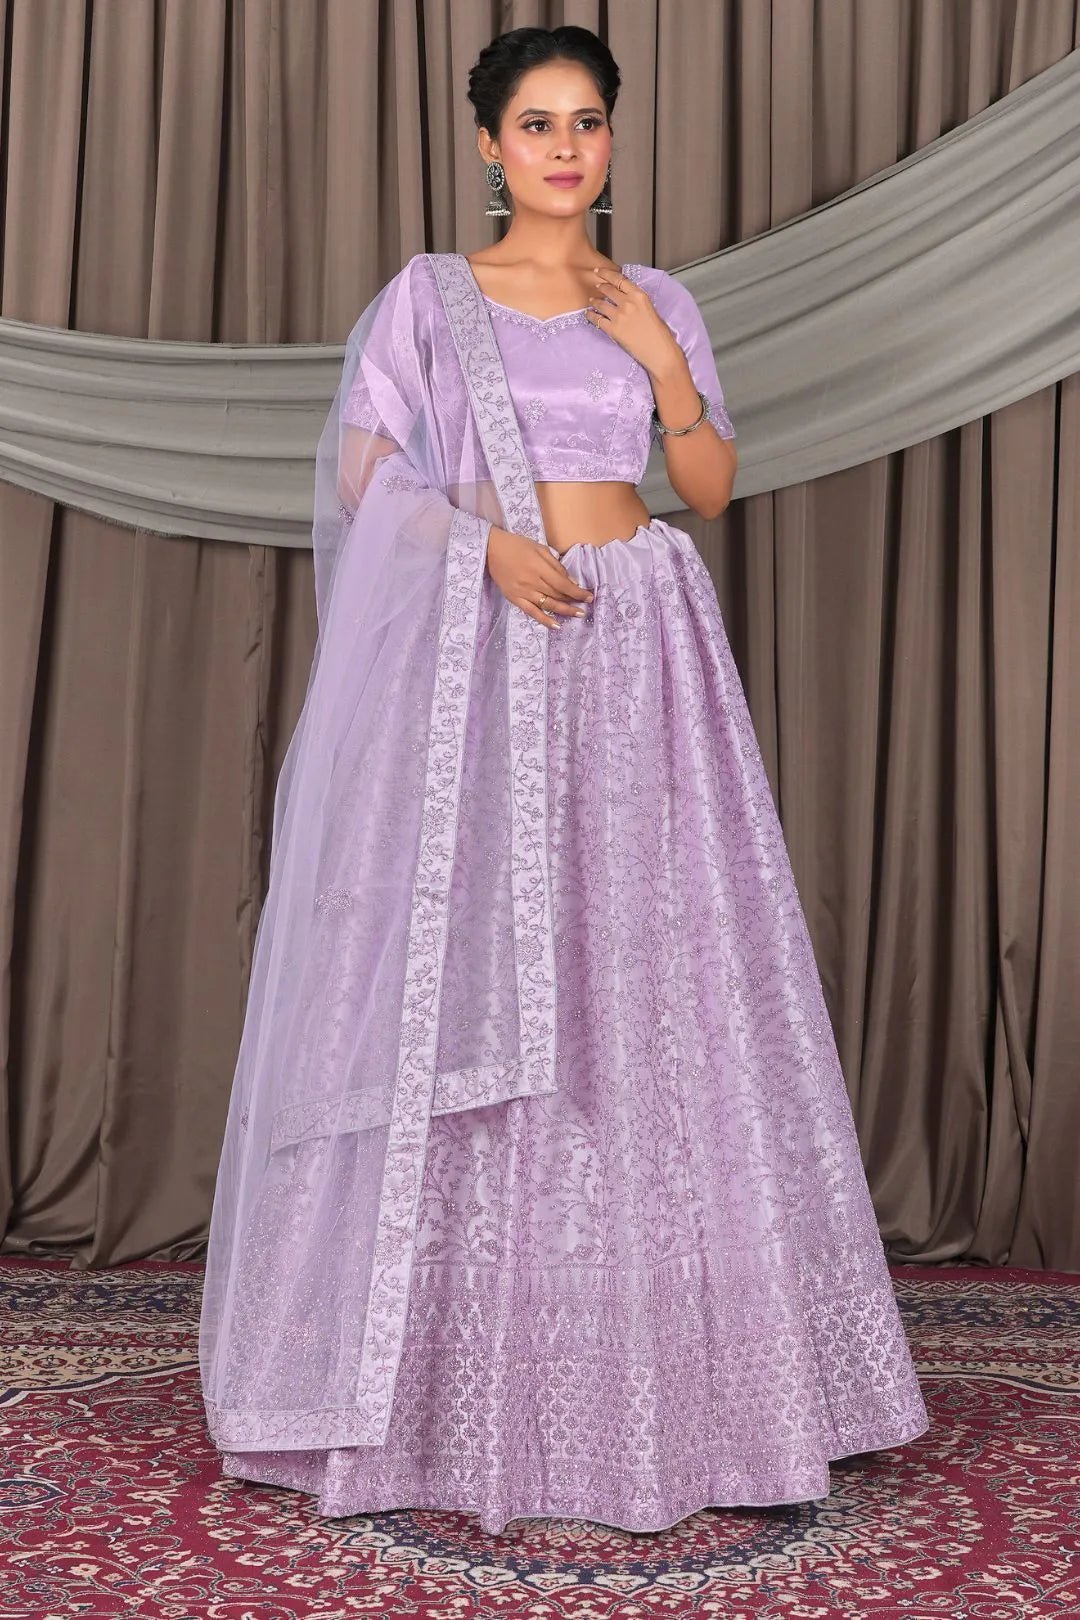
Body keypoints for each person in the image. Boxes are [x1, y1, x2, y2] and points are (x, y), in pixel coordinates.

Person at [199, 24, 929, 1537]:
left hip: (640, 635)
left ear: (610, 141)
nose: (564, 149)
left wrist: (659, 358)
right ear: (489, 144)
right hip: (492, 645)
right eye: (535, 124)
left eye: (586, 122)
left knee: (647, 972)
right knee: (486, 965)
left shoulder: (658, 298)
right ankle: (446, 1378)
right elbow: (364, 474)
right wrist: (482, 549)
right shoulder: (431, 297)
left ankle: (691, 1379)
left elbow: (708, 484)